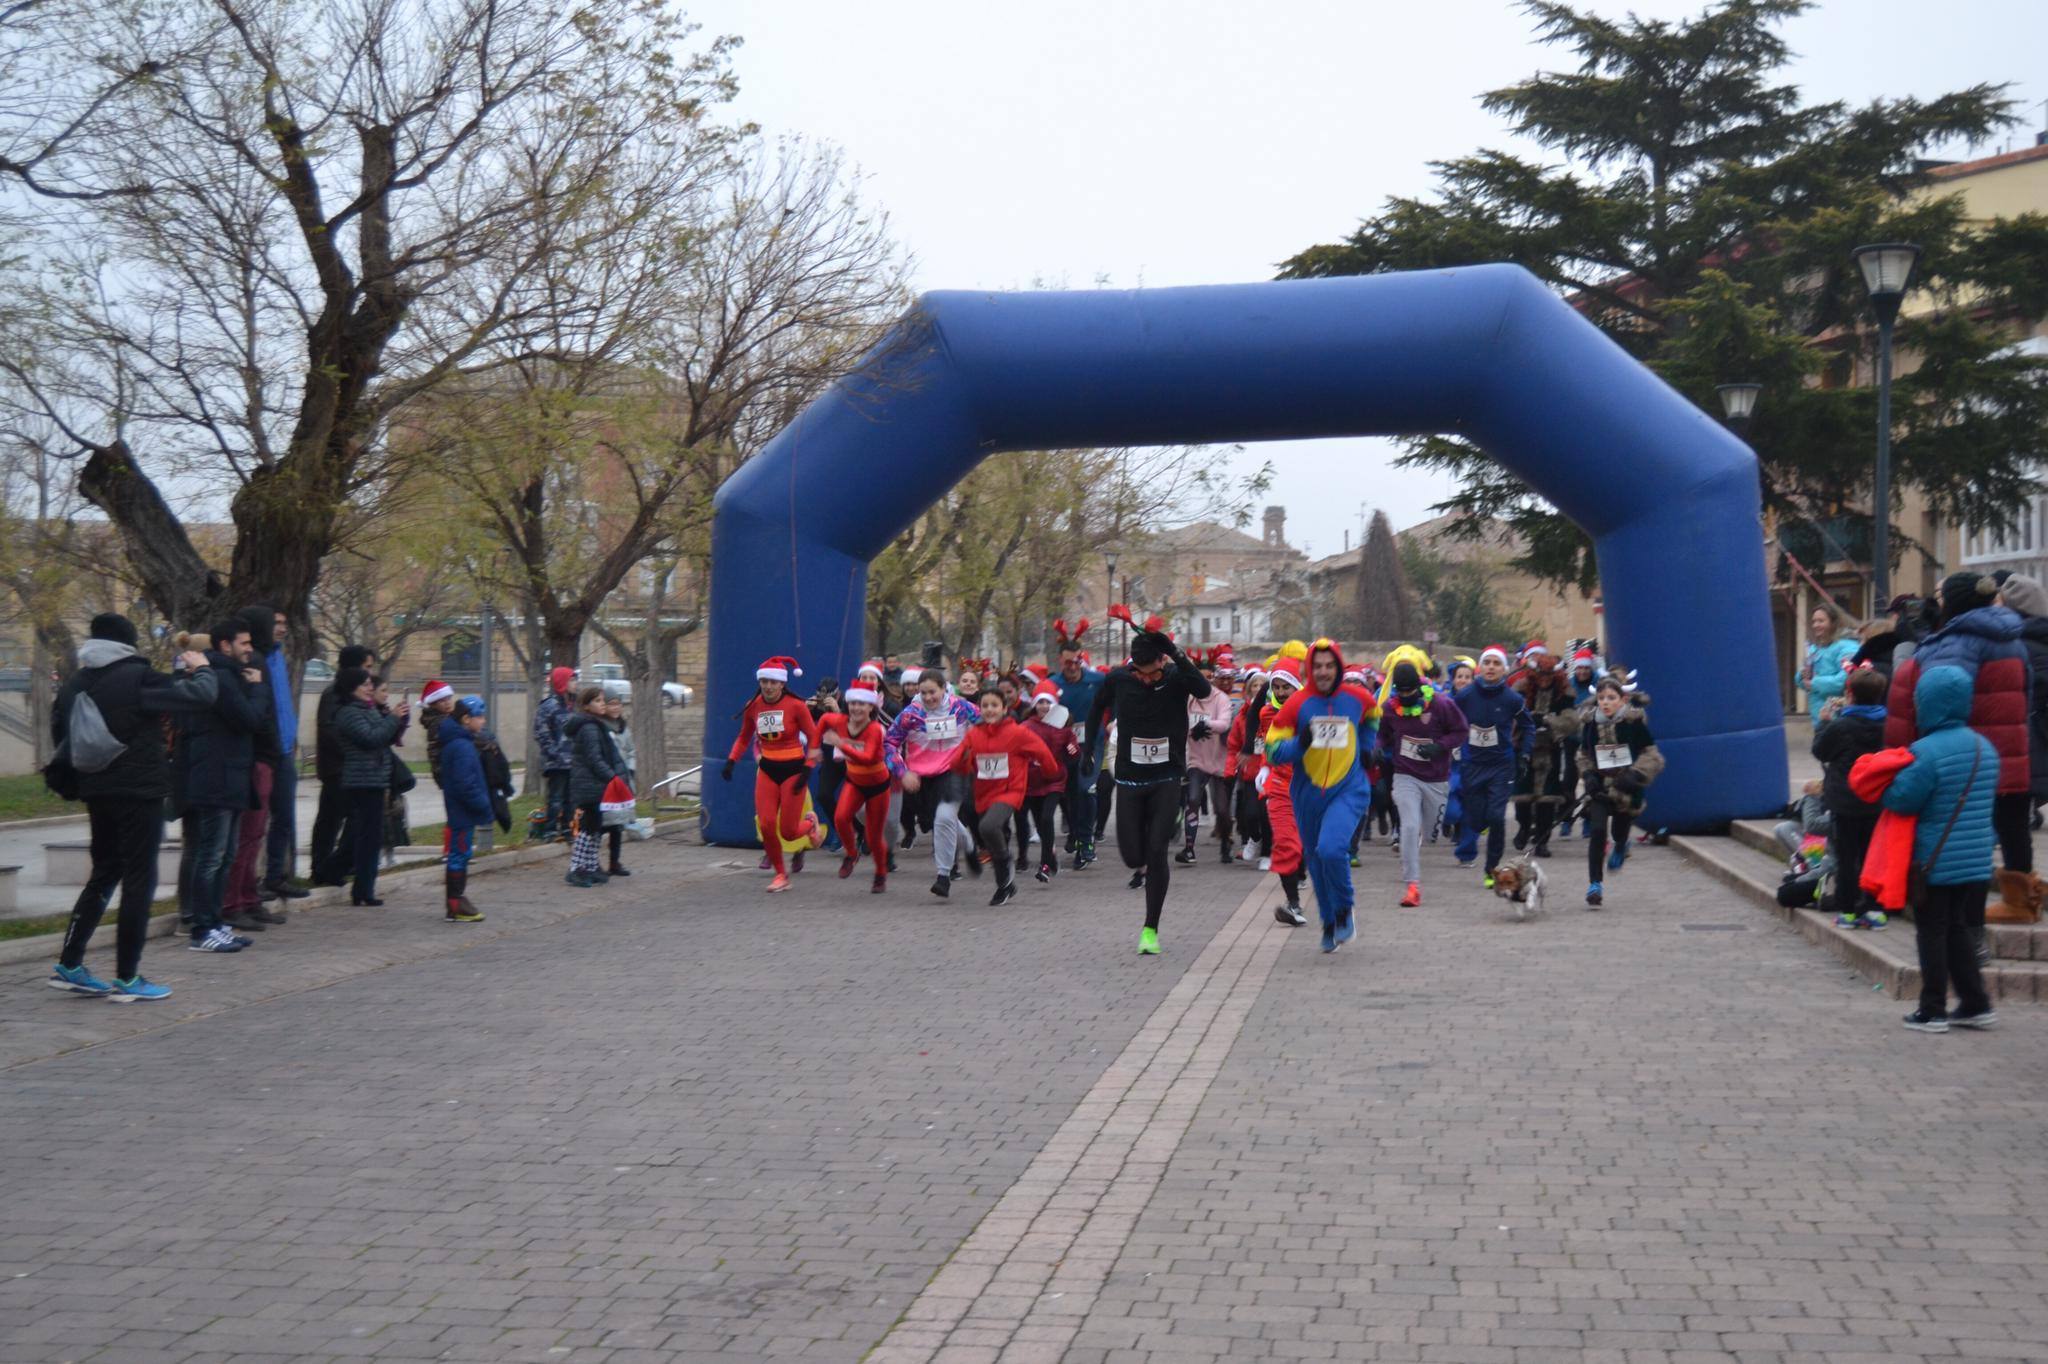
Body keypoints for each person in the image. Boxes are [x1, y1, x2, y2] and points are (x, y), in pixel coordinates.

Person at [45, 614, 217, 1000]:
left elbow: (61, 732)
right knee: (140, 879)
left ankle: (70, 964)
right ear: (129, 644)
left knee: (104, 871)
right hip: (139, 791)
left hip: (95, 788)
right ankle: (128, 978)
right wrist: (202, 668)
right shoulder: (138, 675)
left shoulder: (76, 681)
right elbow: (201, 696)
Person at [1884, 572, 2031, 937]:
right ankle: (2021, 901)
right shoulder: (2012, 638)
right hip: (2011, 751)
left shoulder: (1957, 642)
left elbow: (1941, 696)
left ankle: (1966, 928)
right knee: (2012, 827)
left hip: (1966, 758)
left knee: (1966, 840)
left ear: (1954, 603)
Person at [1883, 666, 1999, 1033]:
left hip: (1935, 859)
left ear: (1927, 703)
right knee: (1957, 928)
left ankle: (1932, 1009)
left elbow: (1903, 800)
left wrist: (1886, 785)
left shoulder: (1926, 752)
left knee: (1932, 931)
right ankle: (1975, 1001)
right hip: (1976, 859)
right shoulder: (1986, 748)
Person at [1084, 622, 1211, 953]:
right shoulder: (1120, 678)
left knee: (1156, 851)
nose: (1144, 678)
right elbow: (1097, 706)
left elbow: (1203, 690)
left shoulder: (1175, 677)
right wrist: (1088, 749)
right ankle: (1161, 831)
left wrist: (1175, 652)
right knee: (1131, 856)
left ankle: (1150, 929)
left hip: (1166, 776)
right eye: (1138, 672)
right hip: (1129, 777)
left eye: (1150, 673)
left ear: (1162, 662)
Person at [1264, 640, 1377, 951]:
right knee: (1314, 860)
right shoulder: (1296, 704)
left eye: (1330, 665)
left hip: (1349, 789)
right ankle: (1329, 920)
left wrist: (1367, 747)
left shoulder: (1356, 697)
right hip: (1307, 794)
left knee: (1331, 849)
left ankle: (1344, 910)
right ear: (1309, 670)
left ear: (1338, 667)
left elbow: (1373, 714)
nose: (1324, 671)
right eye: (1318, 666)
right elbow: (1273, 751)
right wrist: (1301, 742)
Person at [174, 620, 270, 952]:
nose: (249, 649)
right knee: (211, 855)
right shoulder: (222, 677)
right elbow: (250, 720)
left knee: (224, 855)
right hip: (216, 777)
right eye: (244, 643)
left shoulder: (226, 675)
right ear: (225, 645)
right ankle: (202, 928)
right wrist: (258, 689)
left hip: (229, 777)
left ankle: (216, 923)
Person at [722, 655, 826, 893]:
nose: (768, 686)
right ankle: (781, 874)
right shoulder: (754, 705)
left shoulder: (796, 705)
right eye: (764, 681)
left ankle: (809, 823)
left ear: (782, 684)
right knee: (767, 824)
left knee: (788, 833)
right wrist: (731, 761)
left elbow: (814, 737)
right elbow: (744, 736)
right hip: (768, 770)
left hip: (793, 770)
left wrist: (808, 768)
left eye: (773, 682)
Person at [949, 689, 1060, 905]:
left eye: (994, 705)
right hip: (984, 793)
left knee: (988, 827)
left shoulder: (1017, 733)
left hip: (1011, 790)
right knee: (987, 832)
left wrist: (1050, 772)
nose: (989, 710)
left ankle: (1004, 864)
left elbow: (1042, 752)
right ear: (980, 709)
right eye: (985, 706)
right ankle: (1006, 883)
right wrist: (963, 757)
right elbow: (958, 767)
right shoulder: (974, 734)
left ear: (1004, 709)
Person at [1373, 660, 1468, 908]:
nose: (1405, 696)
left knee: (1430, 831)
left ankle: (1426, 835)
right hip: (1404, 775)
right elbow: (1382, 734)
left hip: (1436, 778)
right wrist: (1376, 748)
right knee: (1409, 826)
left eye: (1409, 692)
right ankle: (1412, 885)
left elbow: (1461, 731)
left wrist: (1439, 747)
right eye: (1400, 692)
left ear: (1419, 687)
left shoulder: (1441, 704)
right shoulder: (1390, 708)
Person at [885, 671, 982, 897]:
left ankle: (943, 876)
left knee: (945, 817)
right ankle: (968, 844)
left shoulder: (961, 707)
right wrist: (902, 772)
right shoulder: (911, 715)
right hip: (920, 777)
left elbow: (991, 724)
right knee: (942, 820)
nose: (928, 697)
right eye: (923, 693)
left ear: (944, 689)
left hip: (954, 771)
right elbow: (889, 744)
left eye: (933, 692)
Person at [222, 610, 287, 934]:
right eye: (275, 624)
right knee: (246, 837)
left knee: (253, 836)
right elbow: (258, 717)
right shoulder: (253, 666)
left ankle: (247, 898)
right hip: (257, 760)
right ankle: (234, 903)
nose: (282, 630)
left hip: (264, 758)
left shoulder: (261, 661)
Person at [1812, 665, 1890, 930]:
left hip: (1845, 803)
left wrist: (1823, 723)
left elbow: (1821, 751)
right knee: (1875, 856)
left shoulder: (1841, 725)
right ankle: (1876, 909)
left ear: (1850, 694)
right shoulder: (1888, 725)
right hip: (1878, 801)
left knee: (1847, 857)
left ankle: (1848, 911)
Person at [1578, 674, 1664, 907]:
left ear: (1622, 699)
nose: (1605, 702)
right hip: (1600, 787)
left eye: (1611, 698)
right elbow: (1583, 755)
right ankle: (1595, 884)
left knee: (1619, 831)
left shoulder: (1633, 722)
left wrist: (1635, 774)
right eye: (1601, 698)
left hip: (1626, 787)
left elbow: (1651, 755)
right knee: (1597, 831)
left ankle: (1620, 845)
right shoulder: (1590, 724)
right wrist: (1588, 776)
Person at [1454, 646, 1533, 887]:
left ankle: (1492, 869)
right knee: (1476, 819)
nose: (1490, 667)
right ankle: (1480, 828)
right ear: (1480, 667)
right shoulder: (1465, 696)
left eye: (1496, 663)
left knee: (1497, 817)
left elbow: (1528, 726)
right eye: (1486, 662)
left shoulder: (1512, 699)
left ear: (1504, 669)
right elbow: (1449, 720)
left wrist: (1525, 754)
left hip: (1501, 765)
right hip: (1472, 763)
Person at [331, 665, 409, 905]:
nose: (370, 689)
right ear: (352, 687)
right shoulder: (348, 713)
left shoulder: (368, 709)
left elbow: (384, 735)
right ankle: (359, 889)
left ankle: (364, 888)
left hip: (375, 778)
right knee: (366, 837)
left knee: (370, 837)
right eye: (365, 685)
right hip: (362, 780)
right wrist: (393, 719)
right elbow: (371, 738)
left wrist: (398, 720)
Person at [1996, 573, 2048, 922]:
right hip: (2034, 744)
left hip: (2024, 745)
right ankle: (2030, 894)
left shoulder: (2020, 646)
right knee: (2015, 819)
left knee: (2010, 819)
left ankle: (2020, 902)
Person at [255, 604, 310, 905]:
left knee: (284, 818)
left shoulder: (277, 656)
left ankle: (276, 876)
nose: (282, 627)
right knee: (255, 822)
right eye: (277, 622)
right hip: (265, 752)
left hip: (285, 749)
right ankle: (251, 883)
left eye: (284, 622)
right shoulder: (256, 659)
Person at [821, 682, 894, 891]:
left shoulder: (875, 729)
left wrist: (841, 744)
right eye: (852, 703)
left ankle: (880, 873)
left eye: (862, 704)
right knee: (840, 817)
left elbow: (869, 758)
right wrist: (814, 749)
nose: (856, 708)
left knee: (873, 836)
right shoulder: (841, 721)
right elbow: (823, 720)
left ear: (871, 707)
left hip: (878, 786)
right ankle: (852, 853)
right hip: (855, 781)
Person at [310, 644, 374, 881]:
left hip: (350, 767)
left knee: (349, 819)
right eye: (366, 667)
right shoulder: (334, 694)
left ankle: (338, 864)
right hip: (338, 768)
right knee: (332, 819)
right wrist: (352, 750)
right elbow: (330, 730)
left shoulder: (352, 694)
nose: (369, 674)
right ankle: (324, 866)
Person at [1509, 642, 1576, 857]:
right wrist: (1526, 721)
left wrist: (1549, 720)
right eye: (1541, 674)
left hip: (1550, 748)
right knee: (1523, 795)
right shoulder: (1520, 689)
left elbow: (1572, 720)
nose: (1544, 679)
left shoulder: (1564, 693)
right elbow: (1509, 715)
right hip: (1525, 747)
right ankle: (1524, 827)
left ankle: (1542, 840)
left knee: (1548, 798)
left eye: (1549, 675)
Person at [1052, 619, 1106, 868]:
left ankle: (1086, 842)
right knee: (1069, 795)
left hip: (1090, 745)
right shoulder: (1053, 684)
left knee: (1086, 790)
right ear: (1060, 662)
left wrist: (1114, 721)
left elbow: (1115, 701)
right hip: (1065, 747)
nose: (1072, 667)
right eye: (1067, 663)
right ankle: (1075, 832)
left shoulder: (1097, 680)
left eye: (1076, 662)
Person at [1257, 656, 1307, 923]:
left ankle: (1302, 870)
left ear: (1296, 686)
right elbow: (1269, 745)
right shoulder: (1266, 713)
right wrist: (1264, 767)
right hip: (1279, 787)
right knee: (1286, 843)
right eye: (1275, 687)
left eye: (1285, 686)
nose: (1280, 692)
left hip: (1309, 786)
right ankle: (1294, 905)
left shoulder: (1310, 711)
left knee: (1306, 846)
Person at [437, 697, 493, 922]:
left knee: (461, 853)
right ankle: (455, 903)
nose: (483, 721)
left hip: (461, 811)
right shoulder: (461, 746)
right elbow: (465, 783)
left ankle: (456, 902)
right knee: (459, 854)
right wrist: (482, 803)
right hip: (462, 811)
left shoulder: (461, 742)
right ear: (466, 719)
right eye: (479, 717)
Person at [1179, 651, 1235, 865]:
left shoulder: (1221, 698)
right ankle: (1189, 848)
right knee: (1192, 799)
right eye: (1199, 677)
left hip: (1219, 761)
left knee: (1222, 809)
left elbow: (1224, 723)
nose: (1203, 681)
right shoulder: (1189, 700)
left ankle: (1226, 843)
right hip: (1196, 760)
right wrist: (1190, 730)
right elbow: (1180, 724)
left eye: (1208, 677)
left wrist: (1206, 725)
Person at [1020, 681, 1078, 882]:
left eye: (1048, 702)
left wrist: (1073, 751)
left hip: (1055, 780)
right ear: (1034, 704)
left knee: (1046, 818)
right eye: (1040, 702)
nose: (1044, 706)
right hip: (1032, 783)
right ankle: (1051, 856)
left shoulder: (1063, 726)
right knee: (1041, 824)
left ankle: (1044, 865)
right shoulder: (1026, 726)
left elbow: (1073, 749)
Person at [1226, 664, 1270, 867]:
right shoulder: (1242, 716)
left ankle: (1267, 854)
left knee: (1266, 815)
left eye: (1263, 685)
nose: (1258, 688)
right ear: (1249, 688)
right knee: (1250, 814)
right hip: (1249, 774)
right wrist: (1230, 768)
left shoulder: (1272, 713)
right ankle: (1255, 839)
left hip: (1270, 773)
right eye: (1255, 685)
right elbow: (1233, 746)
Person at [532, 665, 576, 840]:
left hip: (572, 761)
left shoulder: (573, 706)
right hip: (556, 762)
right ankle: (550, 829)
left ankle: (567, 828)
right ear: (562, 683)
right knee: (555, 797)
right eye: (572, 680)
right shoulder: (548, 706)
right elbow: (541, 733)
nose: (575, 683)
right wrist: (554, 753)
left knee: (570, 799)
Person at [1797, 607, 1858, 712]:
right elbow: (1803, 680)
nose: (1815, 625)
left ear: (1834, 623)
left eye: (1821, 621)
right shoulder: (1814, 648)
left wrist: (1814, 683)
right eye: (1814, 621)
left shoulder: (1848, 647)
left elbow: (1846, 679)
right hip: (1819, 716)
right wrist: (1802, 675)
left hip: (1839, 715)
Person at [417, 679, 459, 784]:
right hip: (448, 770)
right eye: (442, 701)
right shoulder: (440, 722)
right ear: (433, 704)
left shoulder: (447, 718)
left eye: (449, 698)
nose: (447, 703)